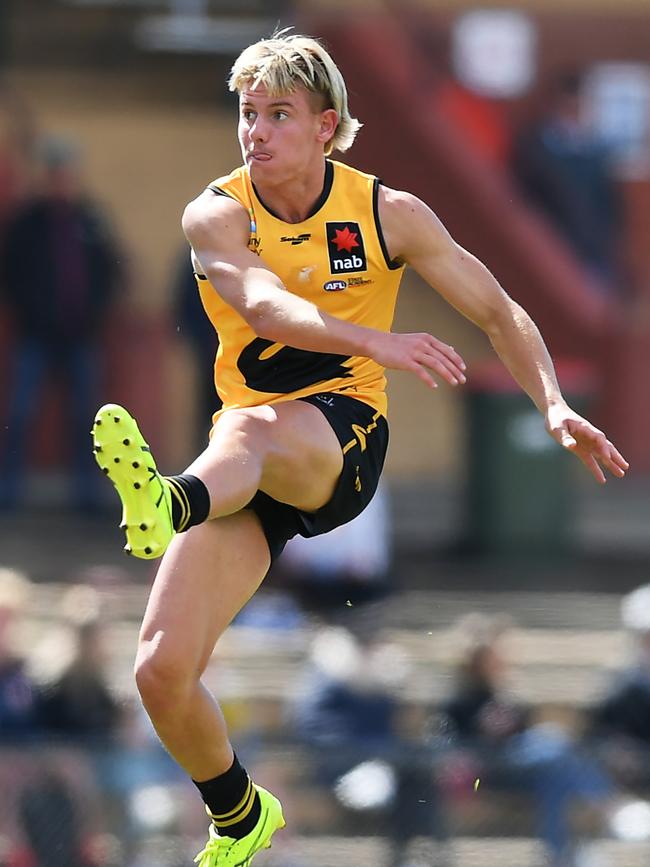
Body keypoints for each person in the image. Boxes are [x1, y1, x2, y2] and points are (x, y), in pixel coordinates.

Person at [90, 32, 628, 867]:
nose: (254, 132)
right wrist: (373, 339)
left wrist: (552, 402)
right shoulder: (216, 212)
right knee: (159, 670)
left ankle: (170, 502)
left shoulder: (388, 213)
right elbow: (263, 307)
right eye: (246, 114)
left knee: (251, 427)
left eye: (277, 115)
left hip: (341, 443)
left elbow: (497, 309)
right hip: (248, 474)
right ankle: (239, 813)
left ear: (325, 125)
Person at [0, 135, 123, 510]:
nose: (61, 179)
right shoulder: (27, 223)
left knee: (87, 420)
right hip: (36, 336)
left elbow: (112, 270)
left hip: (81, 336)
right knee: (20, 414)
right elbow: (10, 274)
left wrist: (95, 310)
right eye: (55, 173)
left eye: (66, 172)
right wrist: (33, 309)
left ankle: (87, 497)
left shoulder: (91, 219)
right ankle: (8, 494)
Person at [436, 614, 614, 867]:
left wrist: (509, 721)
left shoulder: (503, 693)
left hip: (520, 768)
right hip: (487, 772)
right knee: (555, 746)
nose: (501, 660)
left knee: (554, 778)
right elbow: (452, 747)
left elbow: (522, 730)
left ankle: (560, 857)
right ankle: (604, 801)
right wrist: (484, 731)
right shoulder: (459, 701)